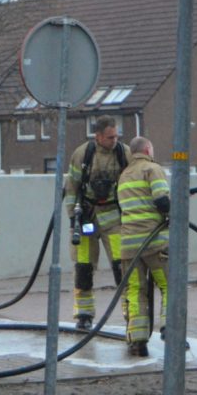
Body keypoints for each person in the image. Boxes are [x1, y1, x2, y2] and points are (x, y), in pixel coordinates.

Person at [64, 116, 139, 330]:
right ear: (97, 136)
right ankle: (84, 314)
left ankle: (130, 313)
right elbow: (72, 188)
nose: (114, 140)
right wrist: (74, 218)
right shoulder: (82, 154)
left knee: (122, 266)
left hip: (114, 218)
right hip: (87, 218)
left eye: (116, 136)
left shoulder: (123, 153)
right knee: (84, 267)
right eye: (110, 137)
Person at [116, 137, 170, 357]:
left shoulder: (124, 175)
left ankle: (137, 342)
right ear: (148, 149)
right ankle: (170, 330)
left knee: (135, 291)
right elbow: (162, 201)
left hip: (129, 245)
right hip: (154, 242)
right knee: (169, 286)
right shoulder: (152, 169)